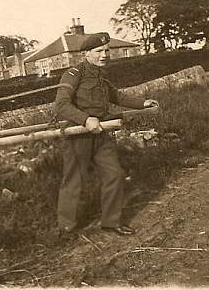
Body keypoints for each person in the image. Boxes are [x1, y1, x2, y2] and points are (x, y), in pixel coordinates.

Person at [54, 32, 159, 236]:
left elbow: (116, 96)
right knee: (74, 180)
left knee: (115, 174)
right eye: (99, 51)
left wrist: (141, 103)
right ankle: (66, 227)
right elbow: (61, 105)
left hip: (102, 132)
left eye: (106, 50)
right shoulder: (74, 74)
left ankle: (111, 222)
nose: (105, 55)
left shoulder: (101, 75)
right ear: (87, 54)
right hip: (79, 134)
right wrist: (85, 119)